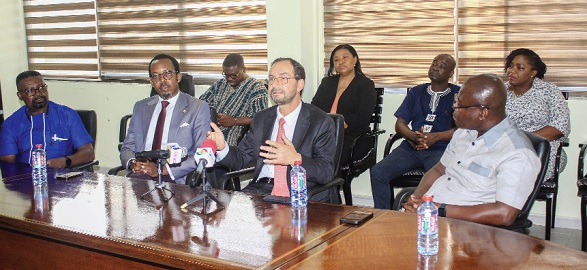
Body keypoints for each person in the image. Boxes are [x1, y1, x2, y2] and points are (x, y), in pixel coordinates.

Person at [403, 74, 541, 227]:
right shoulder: (464, 132)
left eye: (459, 105)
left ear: (483, 113)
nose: (453, 109)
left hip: (465, 231)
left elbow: (504, 214)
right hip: (429, 216)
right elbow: (439, 170)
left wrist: (439, 210)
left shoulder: (518, 154)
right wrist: (417, 197)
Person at [207, 58, 337, 202]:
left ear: (300, 84)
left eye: (283, 78)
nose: (275, 84)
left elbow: (326, 171)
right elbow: (241, 158)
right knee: (221, 216)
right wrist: (222, 147)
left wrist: (295, 159)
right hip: (260, 190)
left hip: (299, 192)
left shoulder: (320, 121)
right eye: (272, 79)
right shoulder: (262, 119)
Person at [370, 54, 460, 209]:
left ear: (451, 73)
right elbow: (400, 124)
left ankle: (430, 218)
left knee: (440, 180)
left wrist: (436, 137)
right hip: (411, 147)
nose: (435, 68)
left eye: (442, 66)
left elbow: (463, 129)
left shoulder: (458, 94)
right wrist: (413, 136)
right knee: (378, 172)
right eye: (434, 64)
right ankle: (383, 217)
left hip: (441, 149)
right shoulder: (416, 92)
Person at [120, 54, 210, 184]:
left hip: (176, 177)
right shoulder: (141, 107)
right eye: (156, 76)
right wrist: (132, 163)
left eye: (167, 74)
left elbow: (201, 153)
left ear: (178, 77)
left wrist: (161, 170)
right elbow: (127, 148)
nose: (162, 80)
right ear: (151, 82)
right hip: (142, 175)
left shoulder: (198, 107)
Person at [0, 71, 95, 168]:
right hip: (26, 179)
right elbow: (8, 165)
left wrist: (66, 161)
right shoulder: (10, 124)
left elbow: (88, 152)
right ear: (20, 95)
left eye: (42, 88)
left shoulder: (67, 116)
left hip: (64, 177)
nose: (38, 94)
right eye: (30, 90)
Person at [504, 48, 570, 181]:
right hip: (504, 148)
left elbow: (560, 127)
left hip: (542, 148)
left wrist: (521, 140)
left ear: (533, 72)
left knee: (513, 175)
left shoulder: (549, 90)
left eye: (520, 67)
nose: (512, 71)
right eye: (510, 66)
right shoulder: (500, 90)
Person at [311, 44, 376, 166]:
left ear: (355, 60)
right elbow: (314, 108)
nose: (341, 62)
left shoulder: (365, 85)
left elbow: (363, 117)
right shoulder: (327, 82)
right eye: (336, 59)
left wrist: (338, 124)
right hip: (325, 135)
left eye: (345, 57)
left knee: (328, 156)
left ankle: (333, 185)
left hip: (353, 137)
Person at [199, 53, 268, 146]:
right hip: (210, 129)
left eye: (233, 75)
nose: (229, 79)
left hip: (234, 135)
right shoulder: (219, 84)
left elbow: (260, 118)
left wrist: (234, 120)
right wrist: (213, 116)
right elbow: (202, 103)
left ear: (244, 70)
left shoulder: (257, 89)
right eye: (226, 75)